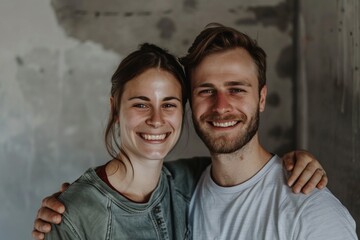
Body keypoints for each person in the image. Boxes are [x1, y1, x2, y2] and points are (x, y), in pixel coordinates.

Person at [32, 38, 328, 239]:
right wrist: (72, 209)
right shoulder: (73, 214)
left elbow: (243, 169)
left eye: (169, 104)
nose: (157, 119)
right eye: (140, 103)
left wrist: (297, 160)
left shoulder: (190, 181)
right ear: (115, 108)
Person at [178, 23, 357, 239]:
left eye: (236, 90)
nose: (221, 106)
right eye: (206, 91)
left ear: (261, 99)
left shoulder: (312, 212)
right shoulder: (181, 196)